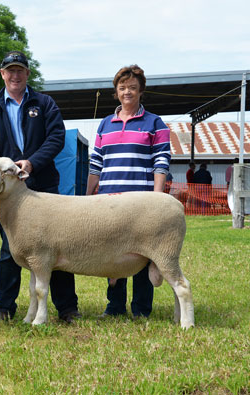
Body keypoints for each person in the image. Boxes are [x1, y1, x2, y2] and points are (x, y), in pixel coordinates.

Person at [0, 50, 80, 323]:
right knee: (10, 248)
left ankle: (67, 308)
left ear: (27, 74)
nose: (15, 75)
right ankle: (5, 307)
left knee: (56, 247)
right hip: (9, 193)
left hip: (44, 184)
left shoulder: (44, 103)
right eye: (10, 70)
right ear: (2, 74)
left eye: (20, 70)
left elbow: (56, 137)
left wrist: (32, 163)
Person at [86, 65, 171, 319]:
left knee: (143, 252)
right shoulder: (104, 124)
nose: (127, 92)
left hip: (142, 202)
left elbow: (161, 161)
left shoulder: (155, 123)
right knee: (113, 252)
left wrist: (156, 199)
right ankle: (114, 306)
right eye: (122, 88)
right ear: (116, 91)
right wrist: (88, 196)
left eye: (132, 87)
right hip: (109, 200)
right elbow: (95, 163)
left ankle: (141, 309)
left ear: (141, 90)